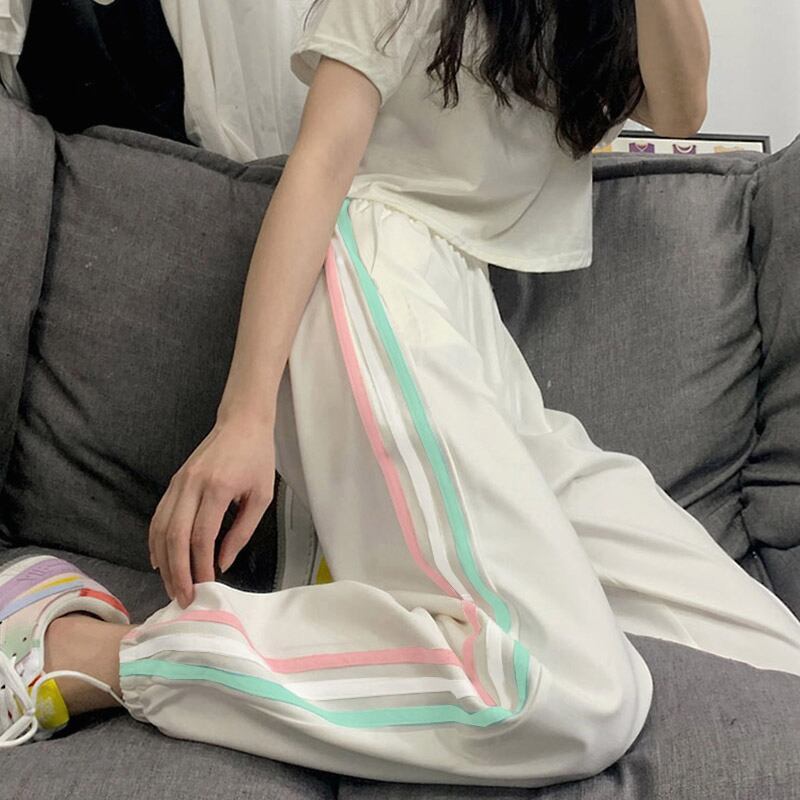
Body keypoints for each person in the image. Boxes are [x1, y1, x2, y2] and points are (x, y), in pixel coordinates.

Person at [2, 0, 800, 788]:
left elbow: (681, 110)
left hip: (482, 339)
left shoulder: (594, 19)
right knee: (561, 695)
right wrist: (244, 416)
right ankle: (80, 647)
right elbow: (320, 168)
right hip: (381, 271)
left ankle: (362, 625)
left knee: (775, 658)